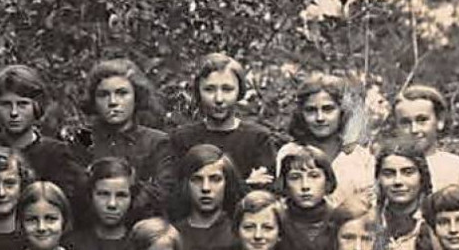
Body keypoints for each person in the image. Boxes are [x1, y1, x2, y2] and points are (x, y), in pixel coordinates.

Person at [167, 52, 281, 188]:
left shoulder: (258, 139)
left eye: (227, 89)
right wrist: (245, 184)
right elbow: (177, 192)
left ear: (240, 91)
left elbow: (264, 195)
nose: (219, 99)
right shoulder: (182, 139)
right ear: (198, 92)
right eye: (209, 89)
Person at [0, 63, 90, 205]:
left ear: (36, 106)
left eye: (22, 104)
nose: (14, 113)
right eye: (6, 104)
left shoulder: (58, 155)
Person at [82, 58, 174, 217]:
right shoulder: (82, 139)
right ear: (94, 100)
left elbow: (162, 191)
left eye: (121, 93)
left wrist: (123, 206)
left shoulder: (157, 142)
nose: (113, 102)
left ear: (136, 97)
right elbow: (77, 188)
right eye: (103, 95)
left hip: (142, 225)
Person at [276, 72, 374, 209]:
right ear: (300, 114)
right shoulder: (290, 152)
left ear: (342, 111)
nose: (320, 118)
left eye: (328, 109)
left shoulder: (360, 156)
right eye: (311, 110)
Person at [392, 85, 459, 192]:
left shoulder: (458, 169)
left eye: (422, 120)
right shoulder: (387, 168)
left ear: (439, 121)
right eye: (405, 123)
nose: (414, 129)